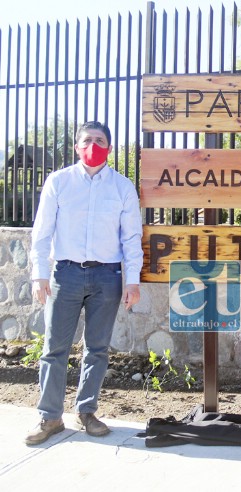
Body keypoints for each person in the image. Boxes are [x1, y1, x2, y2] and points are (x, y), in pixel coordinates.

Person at [26, 121, 143, 445]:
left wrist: (132, 282)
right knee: (54, 349)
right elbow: (42, 231)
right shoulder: (59, 182)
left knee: (98, 350)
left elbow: (131, 237)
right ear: (77, 147)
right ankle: (50, 418)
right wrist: (40, 275)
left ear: (108, 146)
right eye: (87, 140)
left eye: (100, 140)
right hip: (66, 274)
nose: (93, 145)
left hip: (107, 277)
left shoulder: (122, 187)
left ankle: (87, 411)